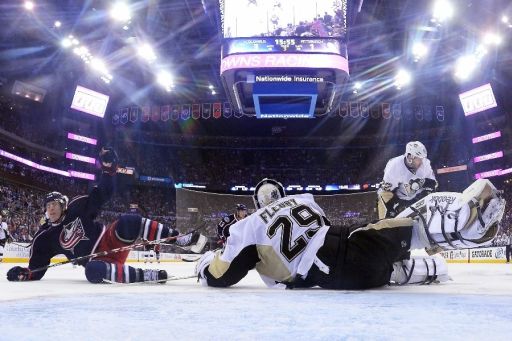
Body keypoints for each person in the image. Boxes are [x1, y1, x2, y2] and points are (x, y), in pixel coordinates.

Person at [195, 178, 505, 290]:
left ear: (255, 202)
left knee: (380, 265)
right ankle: (457, 225)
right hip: (344, 241)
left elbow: (223, 275)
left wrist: (204, 267)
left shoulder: (245, 226)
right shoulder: (301, 199)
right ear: (280, 193)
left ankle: (438, 252)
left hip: (334, 268)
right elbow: (324, 227)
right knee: (394, 231)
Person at [6, 147, 205, 284]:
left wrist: (109, 170)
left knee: (128, 221)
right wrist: (27, 273)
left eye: (54, 204)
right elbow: (37, 267)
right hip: (98, 261)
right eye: (48, 206)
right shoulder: (44, 237)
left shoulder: (77, 207)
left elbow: (102, 193)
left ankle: (181, 239)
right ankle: (149, 276)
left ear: (63, 204)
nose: (51, 209)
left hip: (110, 240)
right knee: (92, 272)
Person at [377, 141, 437, 219]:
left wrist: (425, 192)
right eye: (418, 159)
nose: (421, 162)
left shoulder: (425, 163)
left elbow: (433, 184)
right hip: (398, 200)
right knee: (388, 220)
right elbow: (385, 192)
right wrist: (391, 209)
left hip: (417, 199)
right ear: (410, 157)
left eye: (422, 159)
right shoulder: (394, 165)